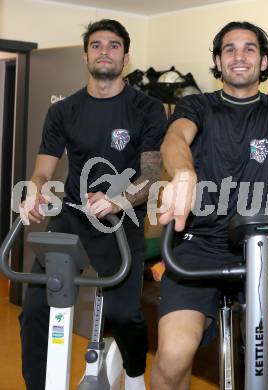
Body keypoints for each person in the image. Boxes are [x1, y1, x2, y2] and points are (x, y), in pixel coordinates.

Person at [151, 21, 268, 390]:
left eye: (249, 49)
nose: (239, 56)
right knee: (172, 356)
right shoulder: (196, 104)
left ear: (263, 61)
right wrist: (182, 171)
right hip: (199, 248)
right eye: (229, 49)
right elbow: (175, 138)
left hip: (263, 247)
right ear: (218, 60)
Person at [19, 19, 167, 390]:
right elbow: (42, 172)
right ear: (86, 54)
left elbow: (151, 174)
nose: (105, 51)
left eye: (114, 45)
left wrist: (118, 200)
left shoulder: (146, 109)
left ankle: (133, 374)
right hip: (72, 221)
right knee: (35, 309)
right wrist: (34, 191)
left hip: (121, 222)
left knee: (123, 312)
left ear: (126, 56)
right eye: (97, 45)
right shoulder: (63, 111)